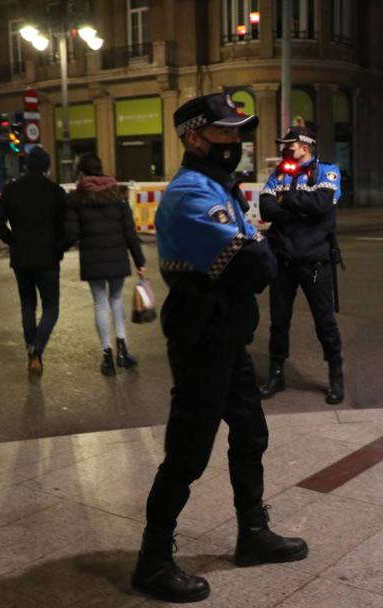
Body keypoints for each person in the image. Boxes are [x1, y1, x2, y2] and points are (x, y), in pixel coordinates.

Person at [131, 93, 306, 604]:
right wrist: (260, 244)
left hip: (228, 331)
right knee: (188, 452)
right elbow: (255, 268)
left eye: (237, 133)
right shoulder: (190, 195)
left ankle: (253, 534)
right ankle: (152, 561)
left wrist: (256, 242)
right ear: (194, 136)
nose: (236, 142)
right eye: (225, 133)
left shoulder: (217, 187)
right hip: (201, 333)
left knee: (251, 432)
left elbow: (254, 255)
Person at [258, 126, 345, 404]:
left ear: (304, 146)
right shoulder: (279, 174)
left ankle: (335, 376)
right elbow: (265, 208)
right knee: (279, 321)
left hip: (314, 260)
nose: (284, 149)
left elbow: (321, 205)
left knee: (325, 322)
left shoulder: (327, 171)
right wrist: (298, 208)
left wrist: (286, 200)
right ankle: (277, 373)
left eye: (289, 145)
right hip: (283, 259)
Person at [64, 153, 147, 376]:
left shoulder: (78, 198)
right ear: (101, 170)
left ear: (82, 172)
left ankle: (107, 356)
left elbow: (71, 232)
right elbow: (130, 232)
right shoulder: (117, 196)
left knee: (100, 303)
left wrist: (57, 250)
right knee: (116, 300)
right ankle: (123, 351)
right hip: (117, 257)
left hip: (92, 260)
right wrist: (140, 261)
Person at [0, 146, 67, 374]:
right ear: (47, 167)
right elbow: (66, 226)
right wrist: (59, 247)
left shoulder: (11, 190)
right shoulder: (56, 192)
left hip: (21, 256)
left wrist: (12, 240)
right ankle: (37, 349)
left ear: (26, 166)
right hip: (48, 256)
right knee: (51, 306)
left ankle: (31, 346)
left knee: (28, 304)